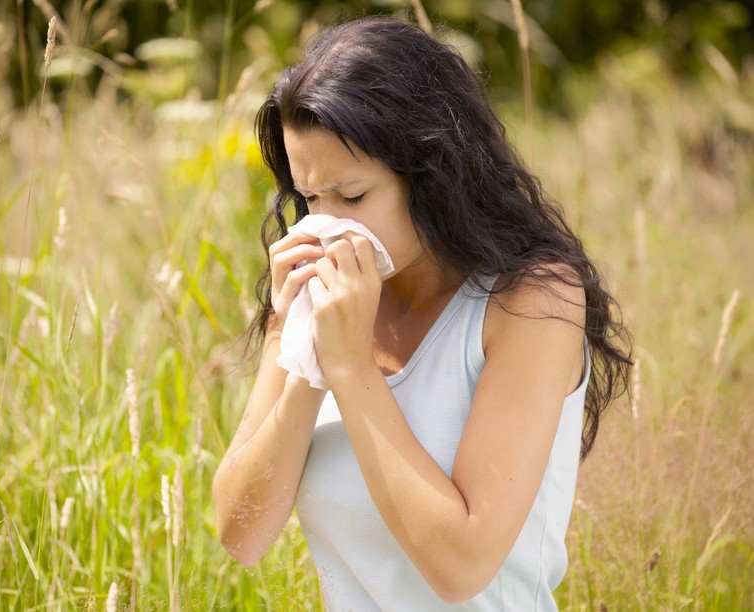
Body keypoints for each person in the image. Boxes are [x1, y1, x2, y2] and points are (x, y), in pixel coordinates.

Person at [212, 16, 631, 610]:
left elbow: (462, 568)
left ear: (432, 173)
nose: (326, 226)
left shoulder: (532, 302)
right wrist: (308, 364)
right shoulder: (316, 297)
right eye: (309, 197)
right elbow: (242, 535)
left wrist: (352, 369)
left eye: (353, 197)